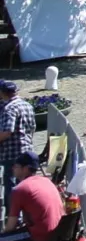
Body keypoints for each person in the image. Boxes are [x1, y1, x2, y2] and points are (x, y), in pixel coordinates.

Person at [0, 153, 63, 241]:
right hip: (58, 234)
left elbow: (10, 226)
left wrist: (4, 237)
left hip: (41, 236)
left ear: (26, 168)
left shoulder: (20, 189)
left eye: (16, 166)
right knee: (27, 228)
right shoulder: (46, 181)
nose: (13, 169)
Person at [0, 81, 36, 209]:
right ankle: (25, 211)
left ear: (2, 93)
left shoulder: (9, 108)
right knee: (24, 183)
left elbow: (6, 132)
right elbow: (32, 127)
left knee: (10, 185)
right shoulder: (26, 105)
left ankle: (13, 215)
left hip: (11, 152)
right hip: (26, 149)